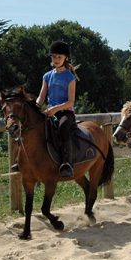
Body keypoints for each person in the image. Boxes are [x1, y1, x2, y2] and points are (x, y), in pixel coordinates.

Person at [37, 40, 79, 177]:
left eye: (59, 57)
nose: (56, 59)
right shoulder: (47, 76)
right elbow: (41, 97)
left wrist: (55, 109)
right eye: (54, 56)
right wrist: (35, 107)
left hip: (66, 113)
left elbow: (71, 102)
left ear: (66, 58)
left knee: (62, 127)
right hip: (49, 112)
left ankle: (67, 163)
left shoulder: (70, 77)